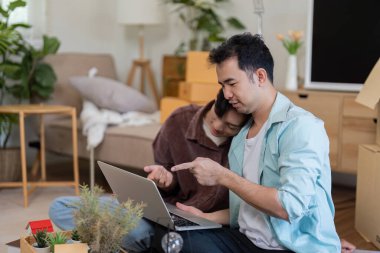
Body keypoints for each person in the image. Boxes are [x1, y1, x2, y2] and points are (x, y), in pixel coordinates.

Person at [171, 33, 342, 252]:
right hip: (246, 241)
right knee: (179, 240)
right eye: (222, 85)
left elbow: (289, 207)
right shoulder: (241, 134)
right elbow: (245, 209)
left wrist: (224, 176)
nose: (226, 94)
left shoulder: (301, 127)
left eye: (231, 83)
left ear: (260, 76)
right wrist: (205, 217)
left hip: (291, 248)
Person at [49, 89, 250, 252]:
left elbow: (247, 206)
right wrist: (166, 178)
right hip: (160, 210)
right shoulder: (180, 120)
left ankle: (136, 241)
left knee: (144, 235)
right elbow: (166, 176)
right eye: (216, 116)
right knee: (60, 206)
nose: (217, 126)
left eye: (230, 126)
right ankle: (128, 240)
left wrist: (208, 217)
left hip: (194, 229)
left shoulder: (246, 144)